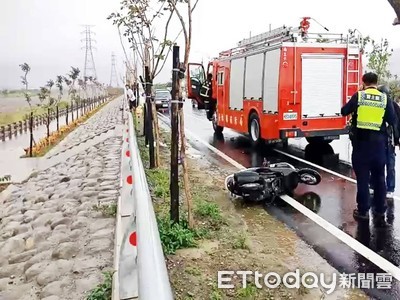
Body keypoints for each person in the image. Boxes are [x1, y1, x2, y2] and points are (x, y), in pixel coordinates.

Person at [341, 72, 397, 227]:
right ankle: (380, 209)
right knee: (379, 178)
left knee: (363, 180)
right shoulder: (385, 98)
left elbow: (344, 111)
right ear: (377, 82)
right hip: (379, 145)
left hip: (361, 145)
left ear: (363, 82)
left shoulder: (359, 96)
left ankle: (363, 211)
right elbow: (392, 120)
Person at [369, 85, 400, 199]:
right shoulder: (376, 105)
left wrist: (398, 139)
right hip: (378, 140)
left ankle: (390, 188)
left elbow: (397, 124)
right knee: (376, 164)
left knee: (390, 165)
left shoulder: (394, 106)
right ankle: (373, 185)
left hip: (389, 141)